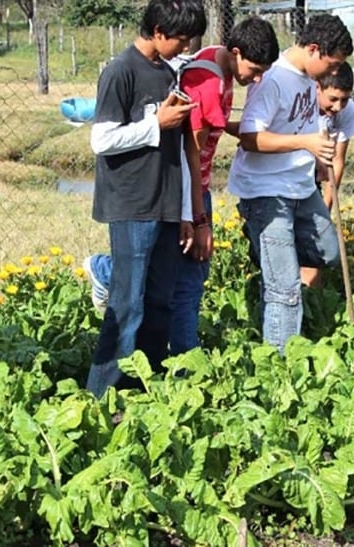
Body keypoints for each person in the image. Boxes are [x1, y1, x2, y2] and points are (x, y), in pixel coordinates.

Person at [83, 17, 280, 356]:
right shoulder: (208, 83)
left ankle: (169, 356)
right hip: (189, 190)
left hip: (188, 190)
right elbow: (192, 151)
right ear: (235, 52)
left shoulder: (217, 61)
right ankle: (184, 356)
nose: (257, 78)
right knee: (187, 280)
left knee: (170, 277)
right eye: (255, 69)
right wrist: (197, 217)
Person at [84, 0, 206, 397]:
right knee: (128, 304)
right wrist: (156, 123)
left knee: (159, 303)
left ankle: (147, 390)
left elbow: (179, 151)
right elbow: (101, 140)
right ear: (157, 32)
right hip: (133, 204)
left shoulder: (168, 73)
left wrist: (185, 213)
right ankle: (101, 397)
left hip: (166, 204)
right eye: (181, 39)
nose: (186, 47)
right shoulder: (121, 71)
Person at [229, 14, 353, 353]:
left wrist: (316, 157)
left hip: (300, 186)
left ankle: (270, 255)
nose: (332, 72)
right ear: (313, 49)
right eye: (331, 64)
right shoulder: (273, 79)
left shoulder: (308, 80)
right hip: (267, 190)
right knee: (285, 289)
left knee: (328, 251)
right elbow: (250, 137)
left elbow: (300, 126)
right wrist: (305, 143)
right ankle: (280, 365)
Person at [300, 61, 354, 288]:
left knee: (315, 246)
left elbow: (338, 159)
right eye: (333, 99)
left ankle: (313, 299)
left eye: (344, 99)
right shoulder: (301, 101)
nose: (338, 106)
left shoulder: (346, 111)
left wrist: (326, 207)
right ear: (317, 88)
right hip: (288, 175)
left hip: (313, 179)